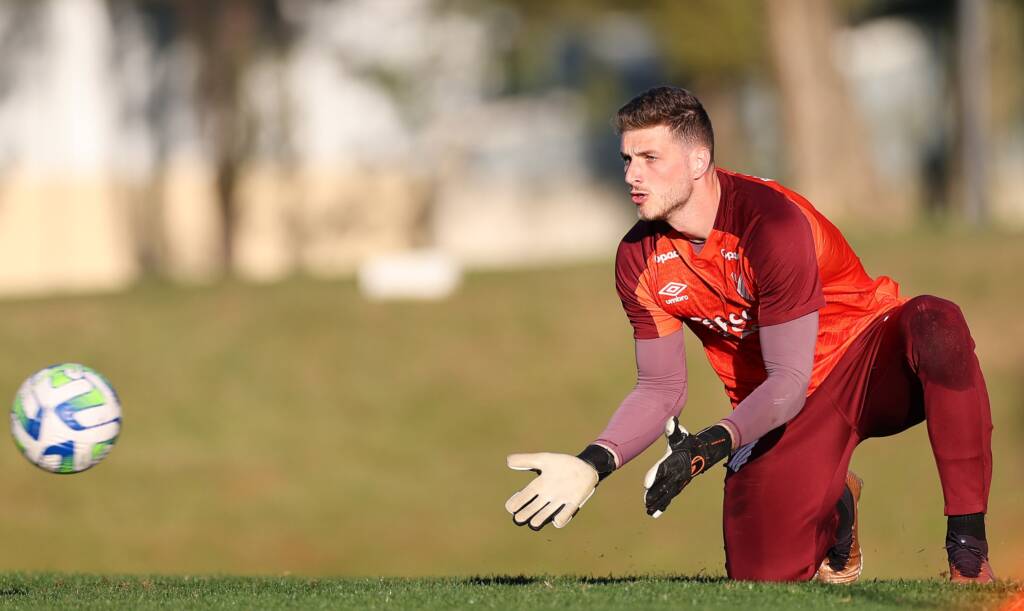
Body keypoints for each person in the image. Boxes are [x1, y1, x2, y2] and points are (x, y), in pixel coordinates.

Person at [504, 86, 995, 583]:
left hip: (866, 365)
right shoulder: (637, 257)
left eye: (650, 158)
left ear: (699, 161)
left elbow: (789, 379)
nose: (632, 174)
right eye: (627, 159)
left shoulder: (771, 223)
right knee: (760, 578)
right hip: (781, 409)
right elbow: (661, 387)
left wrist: (707, 446)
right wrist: (594, 463)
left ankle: (968, 552)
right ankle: (837, 507)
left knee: (936, 322)